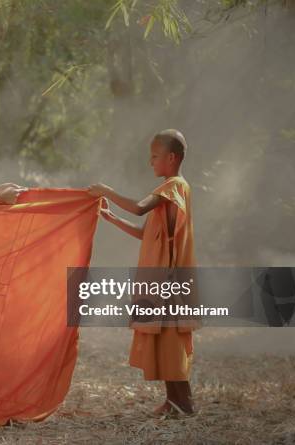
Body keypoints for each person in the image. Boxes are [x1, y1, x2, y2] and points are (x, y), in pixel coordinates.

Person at [88, 129, 197, 415]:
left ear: (171, 158)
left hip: (170, 279)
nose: (150, 162)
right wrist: (112, 218)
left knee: (172, 342)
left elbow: (138, 209)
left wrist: (106, 190)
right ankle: (173, 401)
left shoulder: (173, 186)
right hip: (162, 278)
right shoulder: (169, 191)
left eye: (154, 156)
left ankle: (184, 403)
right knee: (163, 339)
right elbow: (144, 232)